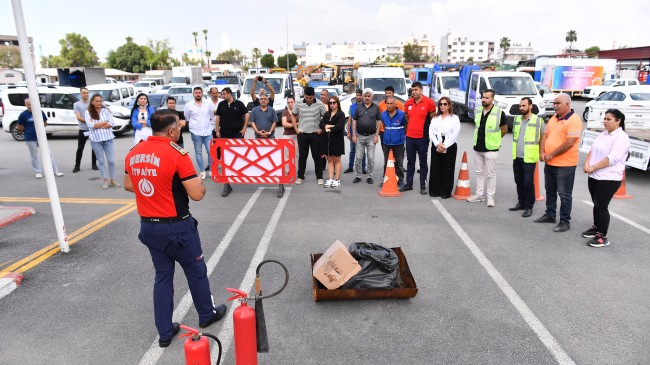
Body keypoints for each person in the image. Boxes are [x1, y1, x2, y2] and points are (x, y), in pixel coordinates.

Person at [123, 109, 227, 348]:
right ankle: (206, 314)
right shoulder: (177, 154)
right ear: (171, 131)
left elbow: (129, 185)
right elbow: (197, 194)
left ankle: (165, 331)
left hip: (149, 227)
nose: (181, 131)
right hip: (177, 227)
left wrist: (155, 187)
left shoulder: (135, 152)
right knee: (196, 271)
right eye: (179, 128)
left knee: (162, 277)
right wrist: (198, 183)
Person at [582, 109, 630, 247]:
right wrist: (587, 163)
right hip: (595, 176)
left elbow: (613, 158)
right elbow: (592, 150)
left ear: (618, 121)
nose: (605, 121)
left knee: (601, 206)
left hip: (609, 178)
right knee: (596, 204)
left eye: (609, 119)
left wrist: (594, 166)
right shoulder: (603, 134)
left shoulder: (621, 137)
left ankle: (602, 236)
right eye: (604, 118)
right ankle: (596, 227)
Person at [535, 93, 582, 232]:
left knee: (564, 194)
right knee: (550, 191)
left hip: (565, 165)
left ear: (567, 104)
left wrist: (552, 155)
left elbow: (569, 143)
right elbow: (545, 135)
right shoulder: (554, 118)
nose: (555, 106)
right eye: (554, 103)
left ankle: (565, 221)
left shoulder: (574, 120)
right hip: (550, 163)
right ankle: (550, 215)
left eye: (558, 103)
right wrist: (542, 152)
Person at [466, 89, 507, 207]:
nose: (484, 100)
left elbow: (504, 130)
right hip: (477, 148)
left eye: (487, 98)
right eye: (483, 97)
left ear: (492, 99)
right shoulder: (478, 111)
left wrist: (495, 140)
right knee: (479, 173)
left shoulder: (499, 113)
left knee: (490, 175)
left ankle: (490, 197)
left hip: (491, 149)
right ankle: (479, 195)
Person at [509, 97, 544, 217]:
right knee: (518, 181)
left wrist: (541, 152)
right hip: (517, 156)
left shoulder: (538, 121)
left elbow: (543, 137)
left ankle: (529, 206)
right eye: (520, 106)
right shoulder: (517, 120)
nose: (521, 108)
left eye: (524, 106)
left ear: (531, 106)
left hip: (529, 157)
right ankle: (521, 202)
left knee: (528, 183)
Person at [400, 81, 436, 195]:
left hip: (422, 138)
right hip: (410, 137)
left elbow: (433, 120)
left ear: (421, 90)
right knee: (410, 162)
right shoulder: (408, 103)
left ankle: (423, 185)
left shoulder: (429, 103)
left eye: (416, 90)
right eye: (413, 90)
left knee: (423, 162)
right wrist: (408, 132)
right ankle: (409, 184)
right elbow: (407, 118)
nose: (414, 92)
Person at [17, 98, 64, 178]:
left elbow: (45, 123)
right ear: (26, 105)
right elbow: (19, 127)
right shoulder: (23, 115)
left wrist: (39, 129)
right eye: (29, 104)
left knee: (48, 154)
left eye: (32, 104)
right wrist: (28, 130)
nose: (31, 106)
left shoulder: (40, 112)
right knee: (34, 155)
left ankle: (55, 170)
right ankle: (38, 171)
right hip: (30, 138)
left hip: (41, 137)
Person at [215, 87, 249, 197]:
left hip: (237, 134)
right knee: (226, 158)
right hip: (224, 134)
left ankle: (240, 174)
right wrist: (217, 130)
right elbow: (218, 117)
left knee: (239, 155)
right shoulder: (221, 105)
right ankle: (227, 182)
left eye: (224, 94)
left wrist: (244, 128)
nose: (223, 96)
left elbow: (247, 115)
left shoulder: (239, 104)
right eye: (222, 94)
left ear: (230, 94)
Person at [250, 92, 285, 198]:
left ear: (268, 100)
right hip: (258, 136)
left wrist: (269, 132)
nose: (263, 100)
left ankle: (272, 173)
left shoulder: (272, 110)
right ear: (259, 100)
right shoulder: (255, 110)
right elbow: (252, 122)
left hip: (270, 136)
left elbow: (275, 122)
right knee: (259, 155)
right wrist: (258, 132)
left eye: (265, 99)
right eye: (261, 99)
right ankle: (261, 173)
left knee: (271, 155)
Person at [291, 86, 327, 185]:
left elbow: (326, 116)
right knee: (302, 157)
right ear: (304, 96)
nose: (308, 100)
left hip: (315, 134)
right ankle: (300, 176)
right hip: (302, 134)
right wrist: (296, 129)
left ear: (314, 96)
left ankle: (319, 177)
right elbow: (293, 115)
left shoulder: (319, 104)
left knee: (317, 157)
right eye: (306, 97)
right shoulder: (298, 103)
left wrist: (322, 129)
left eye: (310, 98)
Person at [428, 96, 460, 198]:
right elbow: (431, 132)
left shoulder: (454, 118)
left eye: (445, 104)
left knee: (448, 169)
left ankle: (445, 192)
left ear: (449, 105)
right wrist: (437, 144)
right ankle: (435, 191)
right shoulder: (435, 118)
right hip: (436, 144)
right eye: (441, 104)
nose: (442, 106)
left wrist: (445, 145)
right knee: (436, 168)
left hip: (449, 146)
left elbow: (455, 133)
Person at [85, 94, 119, 189]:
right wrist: (104, 122)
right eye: (97, 101)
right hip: (96, 140)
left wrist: (98, 125)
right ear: (92, 102)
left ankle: (113, 179)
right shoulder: (88, 112)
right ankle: (105, 180)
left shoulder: (106, 111)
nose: (99, 103)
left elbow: (111, 123)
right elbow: (91, 125)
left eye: (100, 101)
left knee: (111, 161)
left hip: (108, 138)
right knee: (101, 161)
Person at [351, 88, 381, 184]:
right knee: (358, 158)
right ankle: (358, 176)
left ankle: (369, 176)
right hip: (359, 136)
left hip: (371, 136)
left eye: (369, 96)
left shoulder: (376, 108)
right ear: (363, 97)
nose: (367, 98)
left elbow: (379, 122)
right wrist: (354, 135)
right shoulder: (358, 107)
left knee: (371, 158)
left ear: (372, 97)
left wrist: (377, 136)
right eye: (365, 96)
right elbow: (354, 121)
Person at [185, 87, 215, 180]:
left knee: (211, 152)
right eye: (196, 93)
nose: (198, 94)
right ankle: (202, 171)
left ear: (202, 94)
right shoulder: (188, 105)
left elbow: (211, 115)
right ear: (193, 94)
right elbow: (187, 117)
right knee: (198, 153)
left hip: (207, 131)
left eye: (199, 92)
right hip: (195, 131)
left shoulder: (208, 104)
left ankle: (211, 170)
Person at [319, 95, 346, 188]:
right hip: (327, 140)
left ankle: (337, 180)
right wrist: (329, 126)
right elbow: (321, 124)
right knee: (329, 160)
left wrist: (328, 127)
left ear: (337, 103)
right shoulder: (327, 114)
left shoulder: (341, 114)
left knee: (337, 160)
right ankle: (330, 178)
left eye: (334, 103)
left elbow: (339, 127)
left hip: (337, 140)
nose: (332, 104)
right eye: (330, 103)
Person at [380, 96, 407, 188]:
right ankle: (385, 178)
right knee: (386, 162)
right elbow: (383, 126)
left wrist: (402, 137)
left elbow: (405, 126)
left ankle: (400, 180)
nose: (389, 105)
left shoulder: (401, 114)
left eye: (391, 103)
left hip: (398, 143)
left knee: (399, 163)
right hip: (386, 142)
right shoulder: (383, 114)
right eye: (387, 103)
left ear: (395, 105)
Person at [72, 87, 97, 172]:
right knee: (80, 148)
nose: (86, 94)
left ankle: (94, 164)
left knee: (94, 147)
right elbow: (78, 117)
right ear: (80, 94)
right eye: (84, 93)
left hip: (92, 129)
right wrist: (89, 122)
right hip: (83, 129)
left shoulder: (92, 103)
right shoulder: (77, 104)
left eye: (87, 93)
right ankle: (77, 165)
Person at [344, 89, 366, 175]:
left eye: (360, 95)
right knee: (352, 150)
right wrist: (349, 133)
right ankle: (350, 167)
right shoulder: (352, 107)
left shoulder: (366, 106)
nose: (359, 97)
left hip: (362, 132)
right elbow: (349, 120)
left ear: (362, 96)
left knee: (362, 151)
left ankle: (363, 168)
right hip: (353, 132)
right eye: (357, 95)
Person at [281, 95, 299, 161]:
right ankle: (287, 170)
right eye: (288, 103)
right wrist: (296, 124)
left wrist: (290, 124)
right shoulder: (285, 112)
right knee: (286, 154)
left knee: (296, 154)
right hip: (287, 135)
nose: (290, 104)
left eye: (291, 102)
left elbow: (302, 123)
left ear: (295, 102)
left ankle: (295, 170)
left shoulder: (298, 111)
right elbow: (284, 124)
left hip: (297, 136)